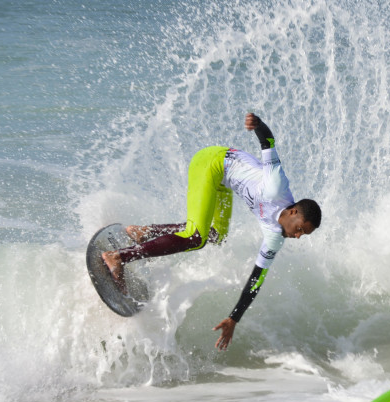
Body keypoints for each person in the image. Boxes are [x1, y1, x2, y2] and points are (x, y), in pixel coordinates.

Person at [101, 112, 321, 350]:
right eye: (299, 229)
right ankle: (119, 257)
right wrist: (258, 124)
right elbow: (267, 143)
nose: (297, 236)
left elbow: (256, 280)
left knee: (215, 235)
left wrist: (234, 318)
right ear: (292, 213)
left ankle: (144, 232)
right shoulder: (277, 187)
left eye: (302, 235)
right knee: (196, 238)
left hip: (222, 180)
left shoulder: (274, 237)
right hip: (213, 161)